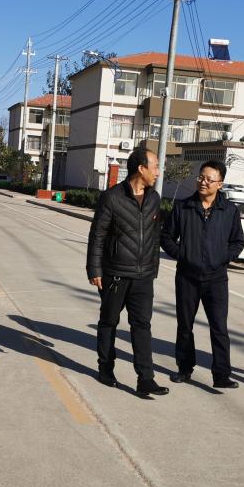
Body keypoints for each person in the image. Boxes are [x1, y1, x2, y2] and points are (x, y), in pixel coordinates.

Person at [85, 148, 168, 399]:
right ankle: (105, 368)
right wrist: (95, 269)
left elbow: (155, 236)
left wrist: (153, 266)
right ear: (141, 169)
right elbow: (98, 235)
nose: (158, 171)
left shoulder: (154, 198)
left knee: (142, 325)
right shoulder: (112, 197)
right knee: (109, 322)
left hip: (143, 277)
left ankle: (146, 379)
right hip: (115, 274)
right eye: (155, 166)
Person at [160, 160, 244, 389]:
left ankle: (221, 375)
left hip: (216, 279)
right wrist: (183, 255)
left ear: (220, 184)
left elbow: (238, 242)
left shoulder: (229, 210)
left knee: (219, 328)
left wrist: (222, 257)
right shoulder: (183, 207)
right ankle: (184, 368)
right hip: (187, 277)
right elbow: (166, 237)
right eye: (201, 177)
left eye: (209, 179)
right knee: (185, 325)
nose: (203, 182)